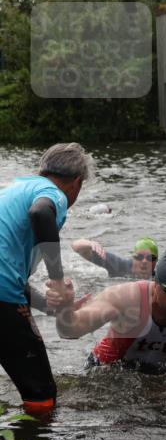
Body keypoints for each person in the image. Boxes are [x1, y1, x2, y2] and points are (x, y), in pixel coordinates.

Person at [0, 143, 92, 414]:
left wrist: (52, 307)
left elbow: (10, 279)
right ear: (76, 183)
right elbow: (41, 213)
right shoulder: (52, 193)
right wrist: (59, 282)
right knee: (42, 395)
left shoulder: (15, 189)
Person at [71, 237, 158, 279]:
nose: (144, 261)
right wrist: (90, 244)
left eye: (151, 258)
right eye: (139, 257)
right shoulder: (120, 266)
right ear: (133, 258)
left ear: (156, 261)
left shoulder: (161, 276)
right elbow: (76, 246)